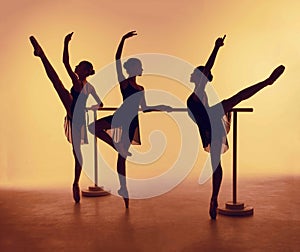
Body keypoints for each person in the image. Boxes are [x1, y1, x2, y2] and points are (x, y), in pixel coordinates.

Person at [187, 35, 285, 219]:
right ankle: (214, 199)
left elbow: (208, 68)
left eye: (196, 72)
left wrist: (216, 47)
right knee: (235, 99)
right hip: (210, 123)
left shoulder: (199, 90)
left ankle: (214, 199)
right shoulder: (199, 93)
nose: (192, 73)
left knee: (235, 99)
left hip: (209, 122)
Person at [88, 31, 172, 208]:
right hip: (120, 117)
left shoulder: (140, 88)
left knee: (121, 158)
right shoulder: (124, 83)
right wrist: (122, 40)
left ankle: (123, 189)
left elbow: (145, 108)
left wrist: (162, 108)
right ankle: (113, 145)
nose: (141, 69)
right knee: (92, 127)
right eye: (139, 67)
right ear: (133, 69)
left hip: (131, 122)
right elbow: (116, 60)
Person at [29, 33, 103, 203]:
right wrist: (91, 106)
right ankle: (41, 55)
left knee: (77, 153)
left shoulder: (80, 83)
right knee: (58, 85)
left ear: (85, 71)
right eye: (77, 66)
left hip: (76, 117)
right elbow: (100, 104)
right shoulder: (88, 86)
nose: (76, 67)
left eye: (80, 66)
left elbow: (65, 63)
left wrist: (65, 43)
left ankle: (75, 182)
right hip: (75, 111)